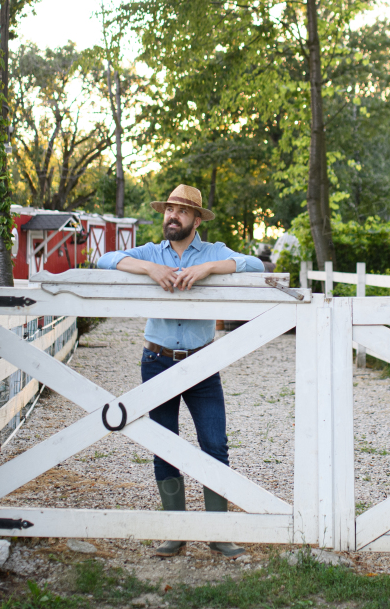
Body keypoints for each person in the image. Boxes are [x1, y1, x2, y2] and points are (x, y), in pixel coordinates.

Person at [96, 184, 264, 557]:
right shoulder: (150, 252)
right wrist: (150, 268)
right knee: (163, 446)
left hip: (202, 363)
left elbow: (255, 264)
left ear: (196, 219)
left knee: (214, 444)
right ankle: (175, 532)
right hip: (155, 362)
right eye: (169, 209)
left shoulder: (214, 252)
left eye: (182, 211)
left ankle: (218, 534)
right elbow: (104, 260)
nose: (172, 216)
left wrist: (207, 268)